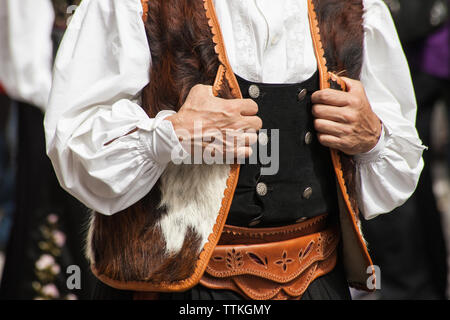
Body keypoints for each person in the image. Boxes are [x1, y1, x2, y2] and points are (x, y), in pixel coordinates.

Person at [45, 0, 425, 300]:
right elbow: (73, 139)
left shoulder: (358, 5)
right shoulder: (131, 3)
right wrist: (168, 136)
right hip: (169, 284)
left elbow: (401, 149)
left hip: (316, 280)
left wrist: (372, 135)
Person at [0, 0, 94, 300]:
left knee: (81, 220)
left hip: (75, 105)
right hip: (48, 107)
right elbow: (23, 60)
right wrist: (60, 106)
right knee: (47, 212)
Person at [359, 0, 449, 299]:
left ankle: (411, 285)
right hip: (421, 45)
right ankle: (422, 283)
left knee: (397, 162)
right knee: (407, 172)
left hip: (424, 48)